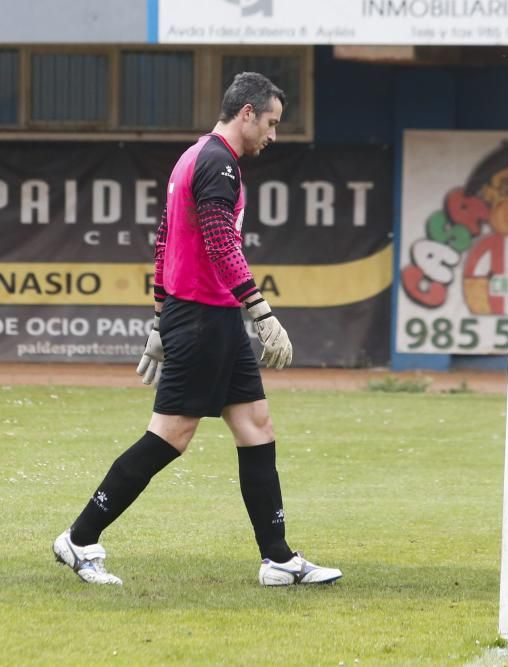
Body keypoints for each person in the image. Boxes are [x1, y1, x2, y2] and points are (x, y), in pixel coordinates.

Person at [53, 72, 342, 588]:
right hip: (204, 318)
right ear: (247, 113)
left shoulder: (196, 156)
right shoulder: (217, 164)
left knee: (256, 426)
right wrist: (260, 310)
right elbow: (217, 240)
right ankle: (78, 539)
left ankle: (277, 559)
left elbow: (164, 238)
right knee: (171, 435)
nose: (273, 135)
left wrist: (161, 316)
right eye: (271, 123)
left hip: (208, 317)